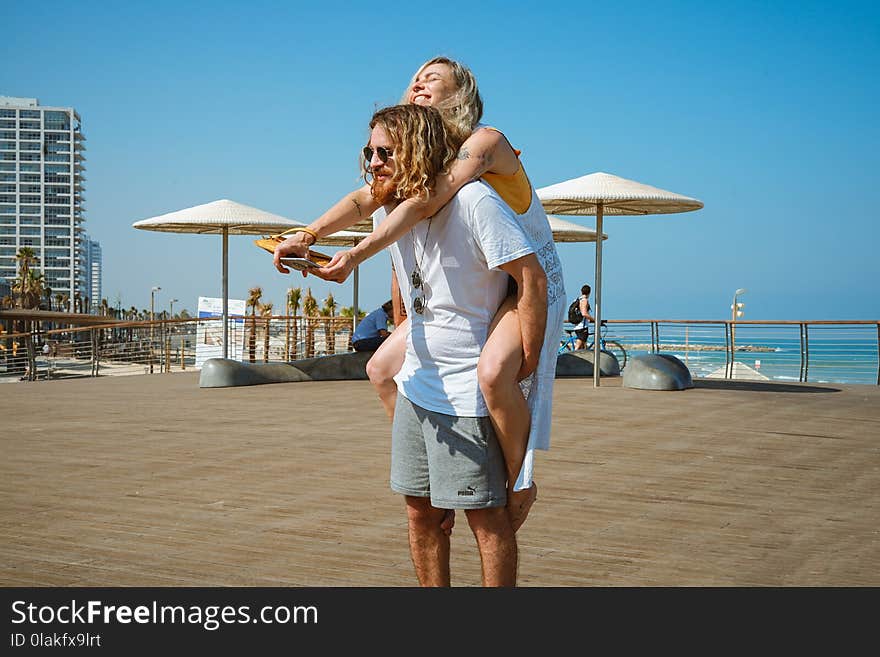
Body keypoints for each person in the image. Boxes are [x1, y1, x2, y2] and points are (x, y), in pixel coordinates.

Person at [271, 56, 566, 532]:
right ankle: (433, 474)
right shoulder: (418, 162)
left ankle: (519, 482)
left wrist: (353, 255)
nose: (418, 84)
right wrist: (308, 234)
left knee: (493, 375)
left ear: (461, 95)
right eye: (414, 80)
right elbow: (366, 198)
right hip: (473, 286)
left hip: (527, 280)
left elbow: (426, 200)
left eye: (432, 78)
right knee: (382, 368)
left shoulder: (484, 142)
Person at [369, 103, 546, 585]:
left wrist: (525, 362)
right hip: (415, 388)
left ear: (416, 150)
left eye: (384, 152)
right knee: (420, 514)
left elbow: (530, 276)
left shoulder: (474, 202)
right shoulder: (391, 214)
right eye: (367, 152)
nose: (372, 163)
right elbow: (404, 282)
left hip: (465, 393)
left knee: (486, 522)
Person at [573, 284, 595, 351]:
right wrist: (594, 319)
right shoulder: (584, 300)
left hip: (578, 325)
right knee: (577, 349)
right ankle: (571, 359)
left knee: (583, 348)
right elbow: (584, 313)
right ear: (589, 292)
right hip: (582, 327)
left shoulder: (578, 299)